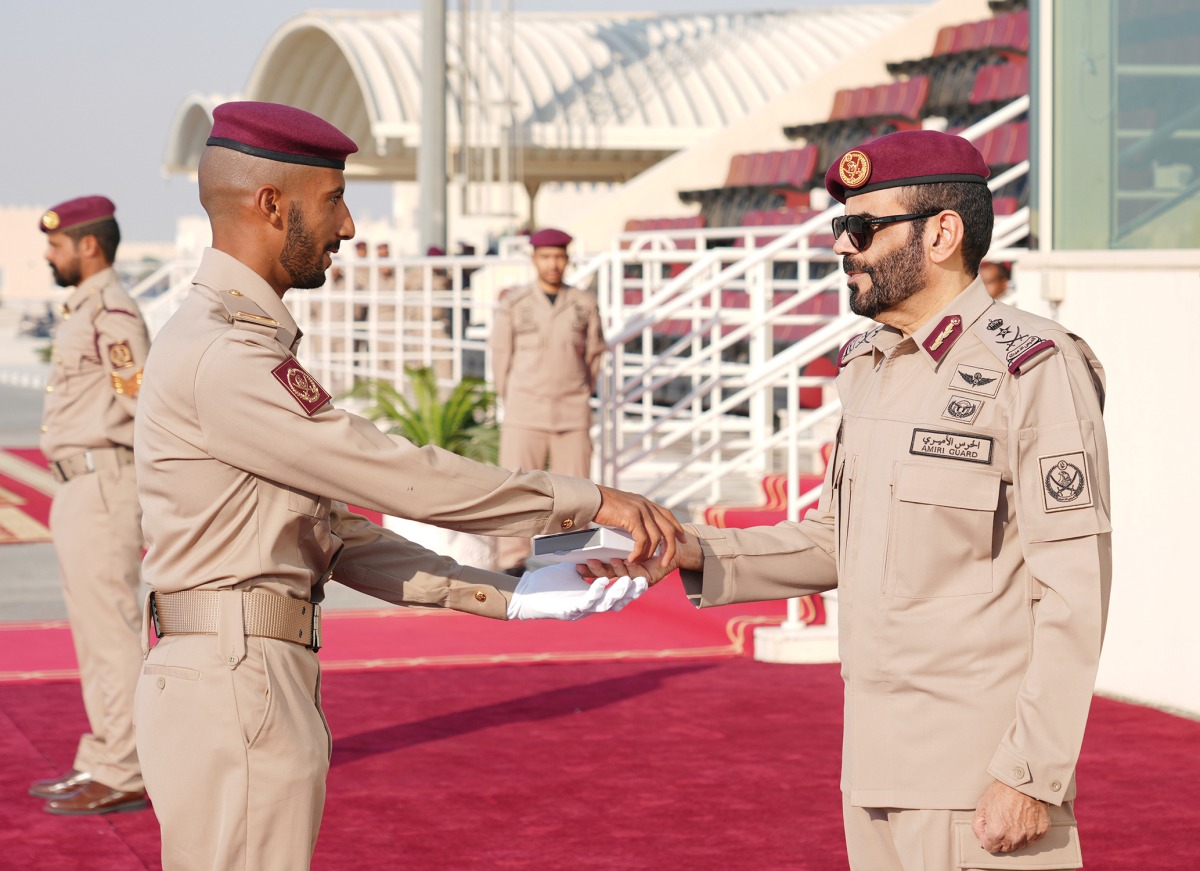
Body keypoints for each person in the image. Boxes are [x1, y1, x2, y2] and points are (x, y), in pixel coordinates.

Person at [132, 100, 681, 871]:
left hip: (240, 673)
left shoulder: (228, 341)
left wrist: (503, 592)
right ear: (271, 204)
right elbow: (397, 474)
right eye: (335, 200)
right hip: (236, 682)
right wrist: (586, 499)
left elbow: (330, 534)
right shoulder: (228, 357)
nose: (350, 226)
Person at [589, 130, 1110, 871]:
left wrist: (1030, 773)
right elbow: (838, 539)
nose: (842, 247)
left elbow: (1073, 595)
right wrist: (690, 546)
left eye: (862, 228)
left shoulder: (1033, 367)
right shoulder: (868, 366)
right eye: (842, 227)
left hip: (980, 780)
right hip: (872, 772)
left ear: (942, 232)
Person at [30, 196, 150, 815]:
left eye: (56, 246)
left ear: (89, 246)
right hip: (80, 486)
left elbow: (141, 403)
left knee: (112, 633)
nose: (49, 256)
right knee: (93, 635)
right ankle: (104, 758)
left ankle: (127, 769)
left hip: (104, 485)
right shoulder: (86, 308)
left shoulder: (110, 311)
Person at [490, 228, 606, 573]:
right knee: (515, 489)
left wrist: (580, 392)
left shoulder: (584, 304)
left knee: (576, 493)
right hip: (525, 410)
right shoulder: (514, 304)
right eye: (545, 257)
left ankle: (571, 561)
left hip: (572, 410)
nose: (552, 264)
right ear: (534, 259)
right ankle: (512, 560)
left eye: (558, 256)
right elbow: (501, 357)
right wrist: (511, 399)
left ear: (567, 259)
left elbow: (594, 356)